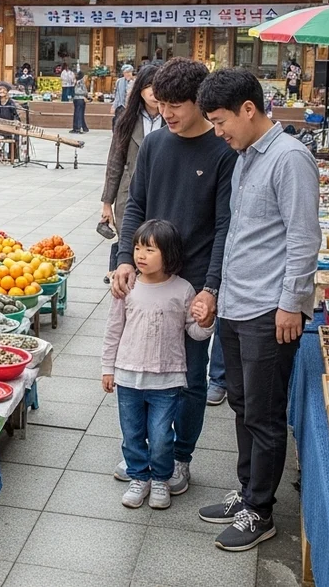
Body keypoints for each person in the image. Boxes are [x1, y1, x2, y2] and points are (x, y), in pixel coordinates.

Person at [196, 67, 320, 551]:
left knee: (265, 414)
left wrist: (291, 304)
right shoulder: (246, 155)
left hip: (270, 311)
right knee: (243, 405)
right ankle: (247, 491)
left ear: (249, 109)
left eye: (221, 119)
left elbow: (303, 238)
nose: (218, 131)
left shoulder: (290, 158)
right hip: (236, 302)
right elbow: (241, 233)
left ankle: (260, 512)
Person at [112, 58, 236, 494]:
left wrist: (211, 287)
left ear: (199, 102)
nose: (166, 113)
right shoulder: (155, 144)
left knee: (188, 375)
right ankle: (143, 456)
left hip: (193, 281)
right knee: (137, 368)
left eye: (175, 105)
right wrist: (126, 257)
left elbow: (225, 225)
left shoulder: (223, 151)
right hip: (147, 281)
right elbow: (136, 206)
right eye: (161, 104)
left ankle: (179, 457)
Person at [103, 219, 213, 511]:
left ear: (169, 254)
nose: (140, 255)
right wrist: (108, 368)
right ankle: (139, 477)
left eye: (149, 250)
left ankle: (161, 478)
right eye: (138, 247)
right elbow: (114, 330)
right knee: (132, 433)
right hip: (128, 377)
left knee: (163, 434)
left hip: (167, 379)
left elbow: (194, 331)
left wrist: (207, 322)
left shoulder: (183, 289)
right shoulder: (128, 286)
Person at [101, 65, 160, 278]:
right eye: (147, 86)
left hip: (162, 190)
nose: (153, 92)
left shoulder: (172, 119)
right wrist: (107, 202)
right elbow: (114, 163)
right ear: (140, 90)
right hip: (129, 191)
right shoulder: (127, 119)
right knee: (130, 238)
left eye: (157, 86)